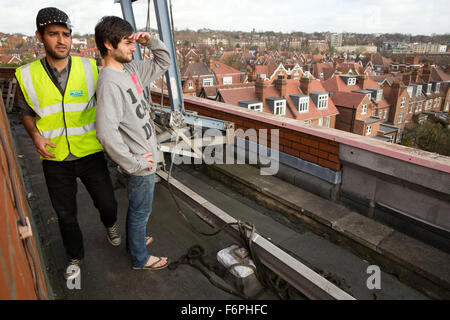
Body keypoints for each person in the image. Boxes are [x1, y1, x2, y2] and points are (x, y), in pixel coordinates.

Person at [15, 7, 121, 280]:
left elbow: (111, 102)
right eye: (53, 34)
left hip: (91, 153)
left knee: (108, 204)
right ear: (40, 36)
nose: (62, 40)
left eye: (66, 35)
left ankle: (110, 225)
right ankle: (75, 255)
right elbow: (25, 113)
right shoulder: (25, 74)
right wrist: (36, 136)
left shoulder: (91, 68)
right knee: (66, 216)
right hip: (55, 157)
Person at [94, 16, 171, 270]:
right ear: (108, 44)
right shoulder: (108, 83)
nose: (132, 47)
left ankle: (134, 242)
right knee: (141, 213)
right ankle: (140, 257)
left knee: (138, 211)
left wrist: (152, 41)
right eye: (127, 43)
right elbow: (106, 134)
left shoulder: (131, 70)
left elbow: (164, 62)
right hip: (140, 164)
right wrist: (135, 162)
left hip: (143, 157)